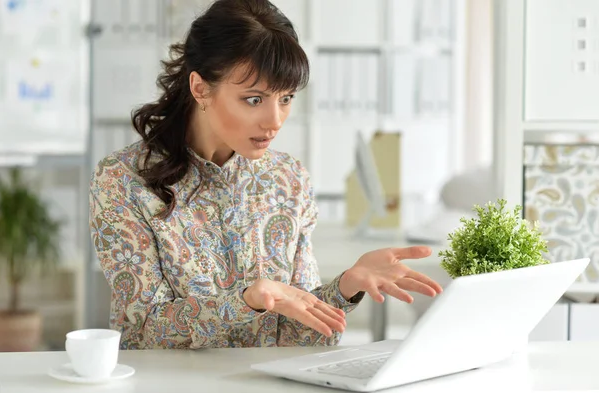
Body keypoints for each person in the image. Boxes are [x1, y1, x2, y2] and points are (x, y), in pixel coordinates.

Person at [89, 0, 443, 350]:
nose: (274, 121)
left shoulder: (288, 179)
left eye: (286, 98)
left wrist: (347, 287)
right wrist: (249, 300)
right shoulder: (122, 181)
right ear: (200, 89)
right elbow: (146, 330)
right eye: (254, 99)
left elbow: (297, 339)